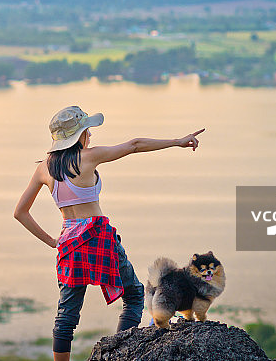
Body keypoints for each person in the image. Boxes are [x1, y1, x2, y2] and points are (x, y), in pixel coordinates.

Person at [13, 105, 204, 361]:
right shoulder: (89, 157)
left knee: (67, 314)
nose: (90, 135)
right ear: (79, 135)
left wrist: (52, 241)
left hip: (69, 243)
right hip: (98, 237)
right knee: (135, 294)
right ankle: (118, 355)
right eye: (87, 130)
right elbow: (134, 144)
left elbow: (20, 212)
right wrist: (177, 142)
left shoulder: (43, 169)